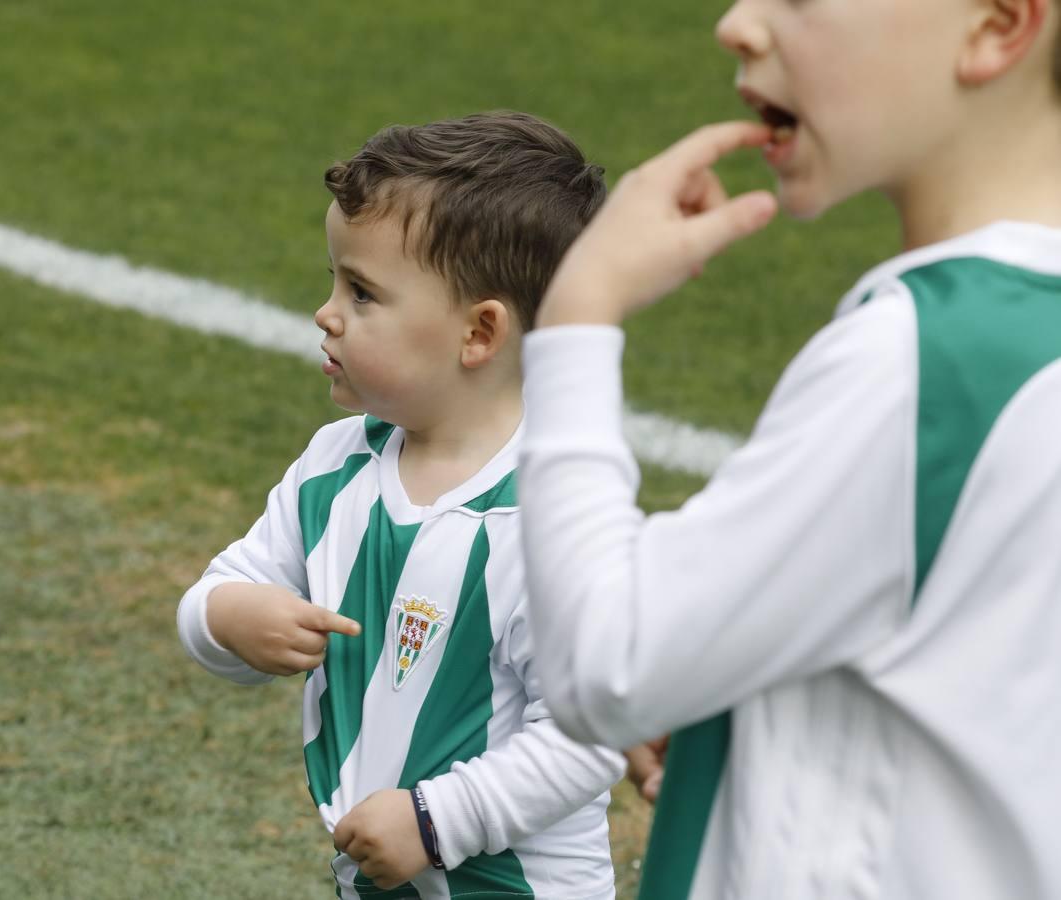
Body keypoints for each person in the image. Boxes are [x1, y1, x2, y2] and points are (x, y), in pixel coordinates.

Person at [518, 0, 1061, 897]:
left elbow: (604, 664)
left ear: (997, 27)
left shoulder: (927, 360)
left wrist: (580, 311)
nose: (738, 23)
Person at [177, 111, 628, 898]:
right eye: (333, 281)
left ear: (478, 332)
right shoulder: (335, 466)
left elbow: (588, 738)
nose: (327, 312)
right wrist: (228, 618)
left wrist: (433, 822)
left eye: (362, 292)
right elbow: (221, 588)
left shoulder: (551, 519)